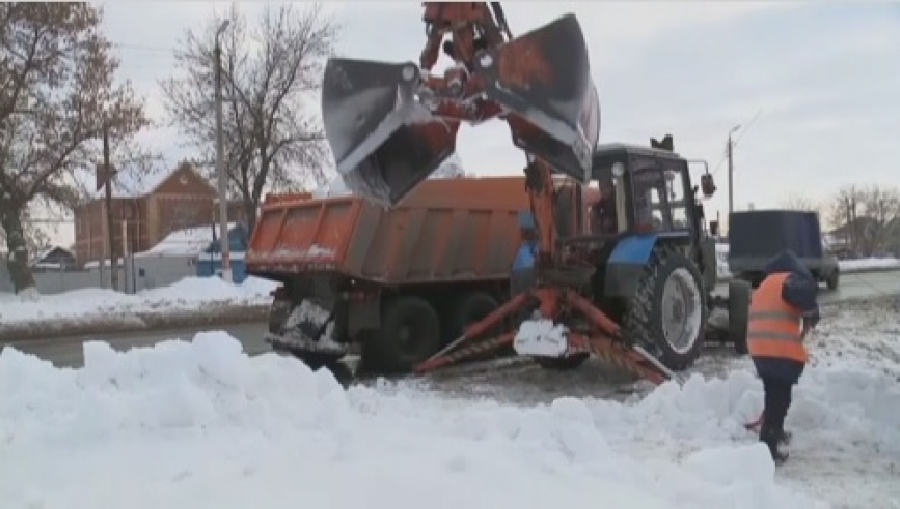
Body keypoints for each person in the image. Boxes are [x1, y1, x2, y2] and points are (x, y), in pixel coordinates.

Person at [748, 249, 820, 463]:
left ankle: (774, 431)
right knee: (780, 399)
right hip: (777, 349)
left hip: (760, 348)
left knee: (774, 395)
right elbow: (803, 293)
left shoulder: (765, 284)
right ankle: (768, 447)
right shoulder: (788, 280)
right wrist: (812, 313)